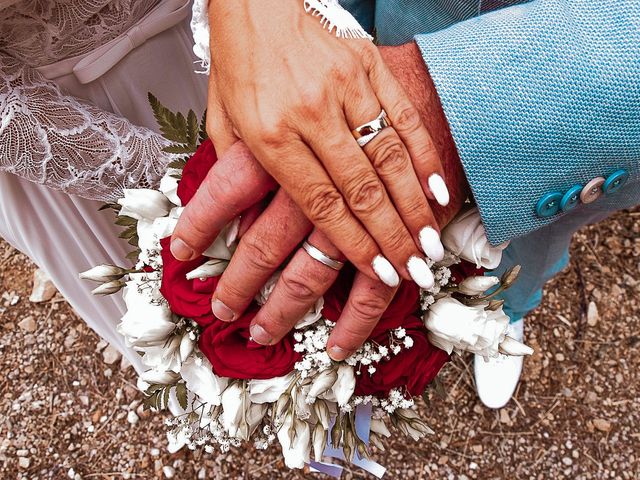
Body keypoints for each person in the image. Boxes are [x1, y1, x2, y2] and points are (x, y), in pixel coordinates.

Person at [173, 0, 640, 409]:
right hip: (388, 19)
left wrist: (462, 105)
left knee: (533, 241)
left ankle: (506, 311)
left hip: (589, 112)